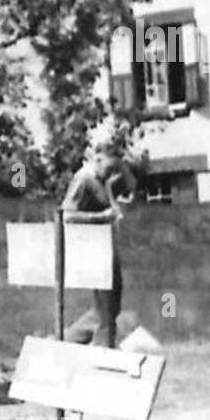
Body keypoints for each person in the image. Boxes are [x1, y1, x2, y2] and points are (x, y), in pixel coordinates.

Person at [61, 138, 137, 349]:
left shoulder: (104, 179)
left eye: (115, 167)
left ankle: (66, 340)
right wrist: (102, 217)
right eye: (109, 166)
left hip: (106, 247)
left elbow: (132, 185)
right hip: (93, 249)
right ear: (97, 159)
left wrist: (121, 165)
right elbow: (66, 216)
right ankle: (105, 349)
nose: (112, 171)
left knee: (110, 307)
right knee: (106, 308)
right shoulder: (83, 179)